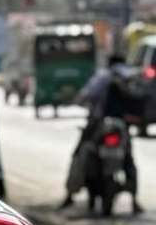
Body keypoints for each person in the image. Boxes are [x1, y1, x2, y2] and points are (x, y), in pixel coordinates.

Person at [60, 53, 143, 213]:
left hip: (98, 123)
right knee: (128, 159)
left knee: (79, 154)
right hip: (122, 125)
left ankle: (69, 195)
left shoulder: (102, 76)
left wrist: (77, 101)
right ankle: (134, 201)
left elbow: (86, 95)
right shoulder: (129, 75)